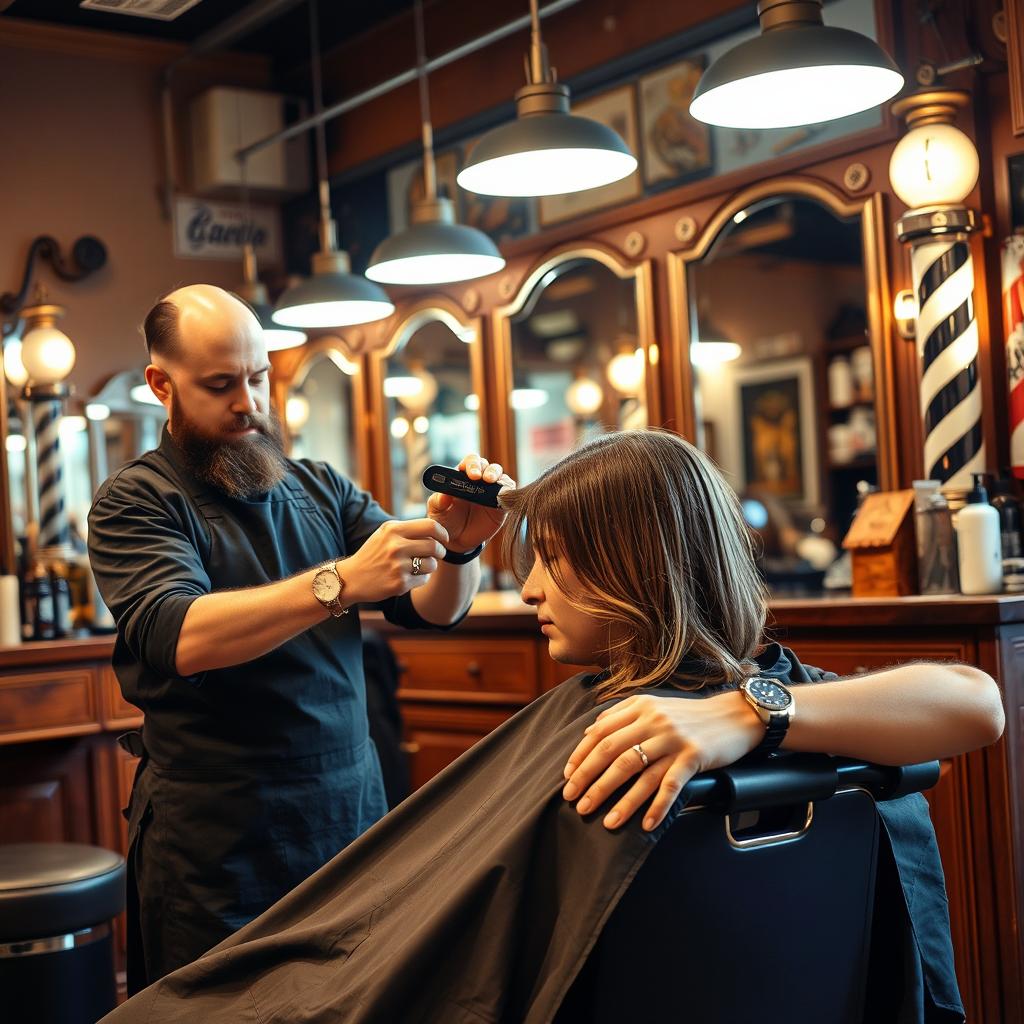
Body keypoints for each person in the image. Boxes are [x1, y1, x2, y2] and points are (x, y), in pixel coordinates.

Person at [100, 430, 1001, 1024]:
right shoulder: (672, 702)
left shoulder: (719, 706)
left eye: (554, 565)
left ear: (629, 568)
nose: (528, 589)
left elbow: (977, 701)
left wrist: (743, 714)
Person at [87, 284, 513, 993]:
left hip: (347, 813)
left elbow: (431, 610)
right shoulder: (137, 501)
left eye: (258, 378)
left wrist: (460, 549)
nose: (248, 402)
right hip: (219, 841)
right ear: (161, 384)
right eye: (220, 385)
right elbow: (178, 633)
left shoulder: (320, 487)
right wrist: (340, 582)